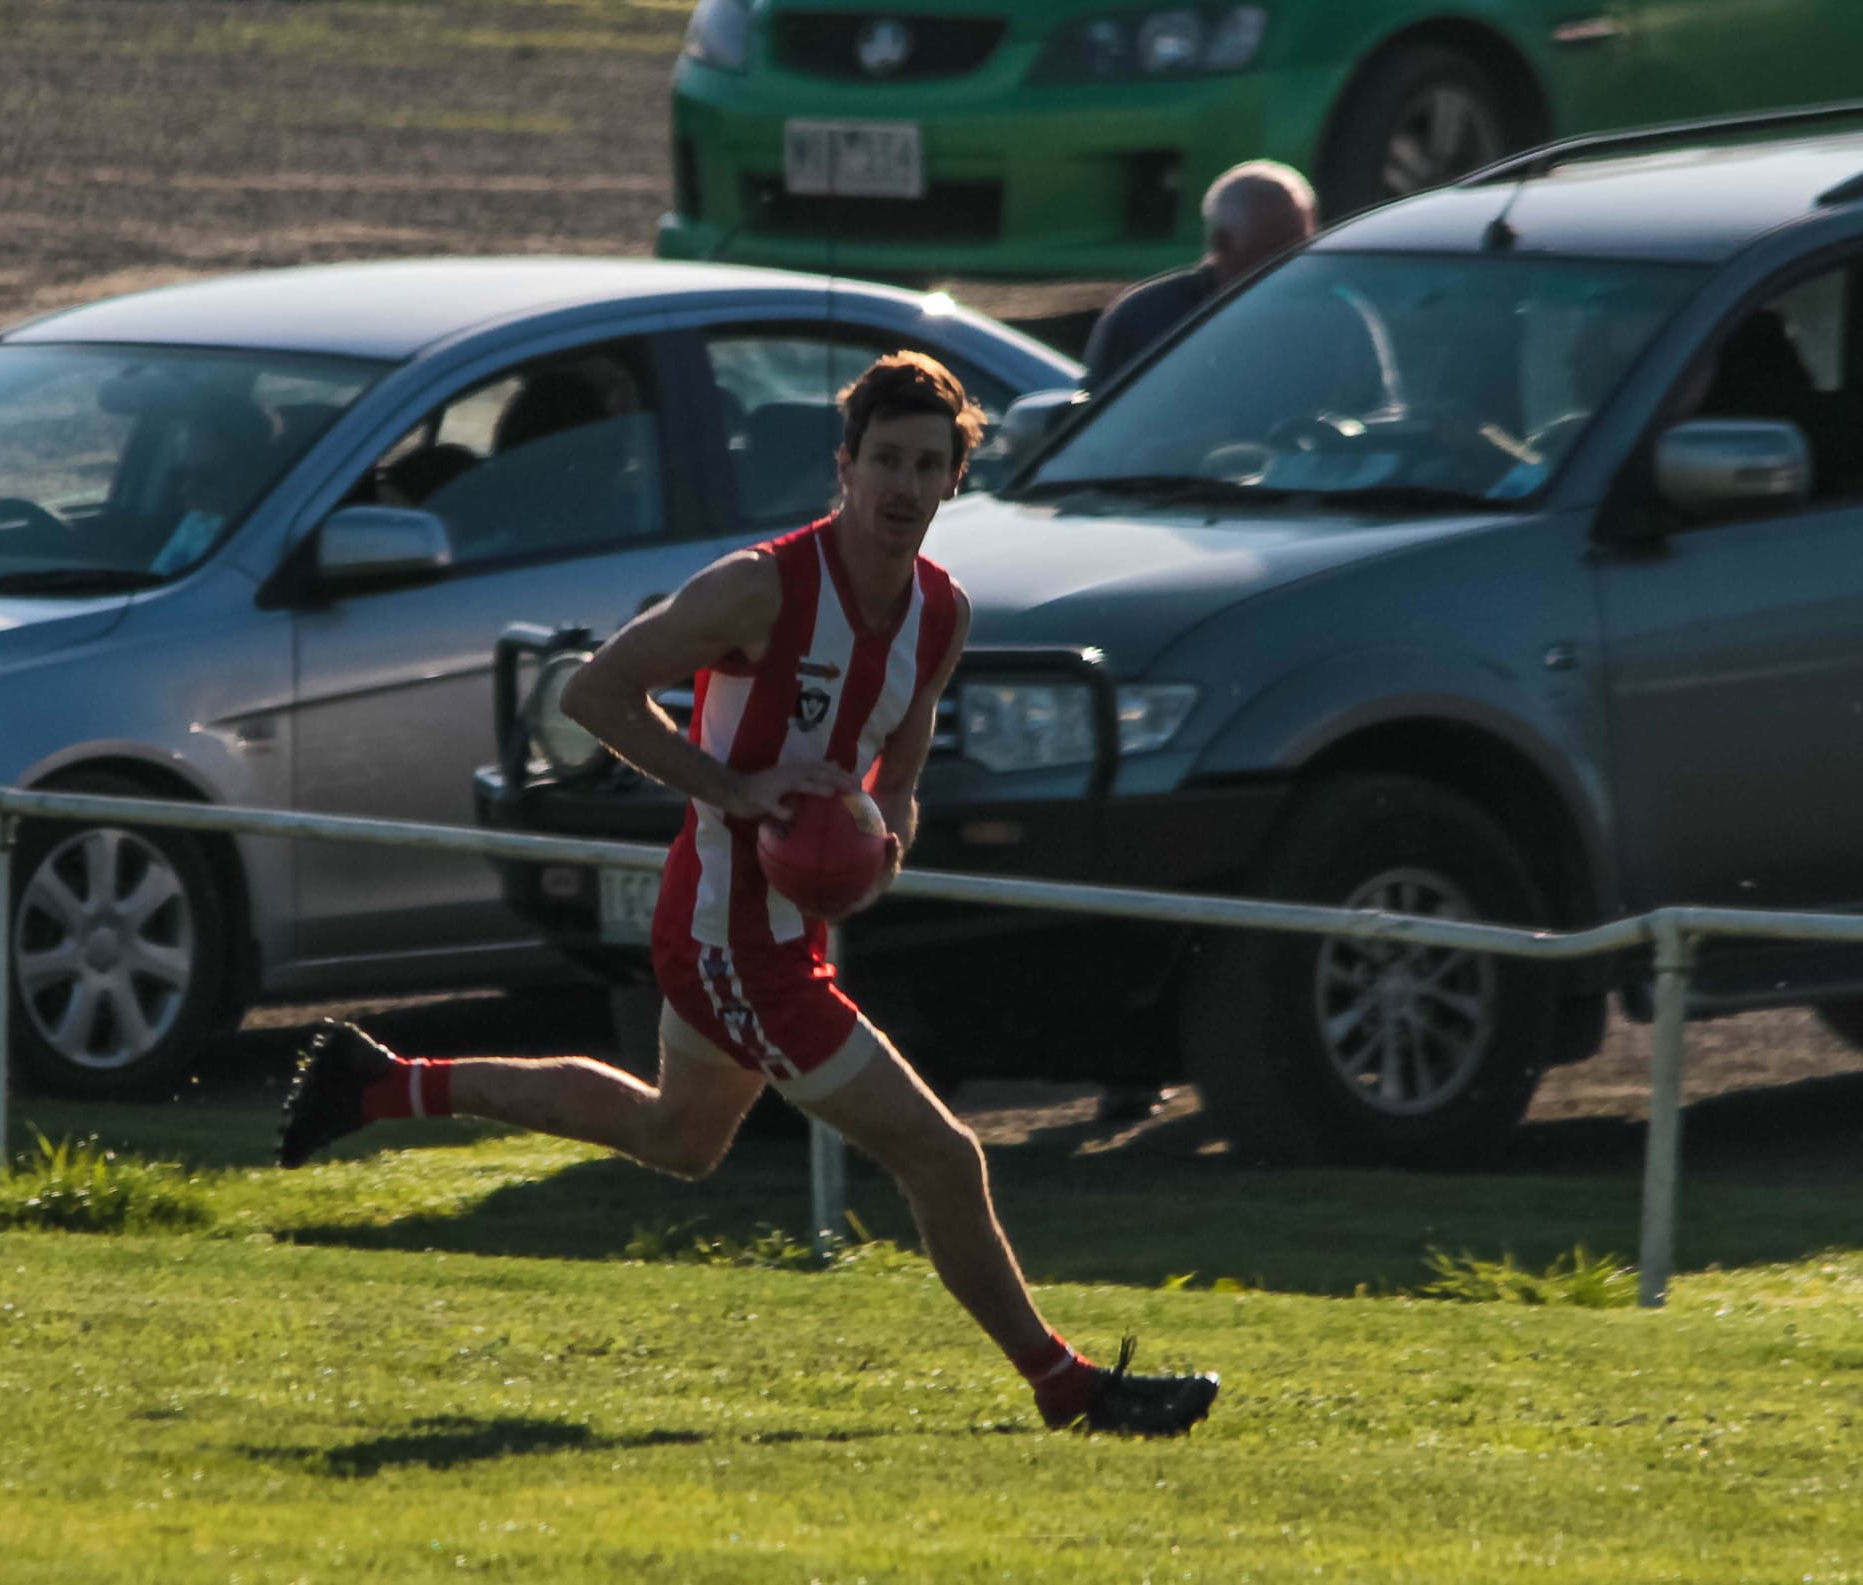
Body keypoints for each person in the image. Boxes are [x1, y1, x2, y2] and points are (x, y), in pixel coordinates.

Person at [277, 351, 1221, 1437]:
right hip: (729, 931)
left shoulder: (938, 613)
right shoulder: (760, 585)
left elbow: (901, 769)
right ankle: (1069, 1387)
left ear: (956, 479)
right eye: (882, 461)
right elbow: (593, 691)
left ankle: (378, 1084)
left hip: (789, 927)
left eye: (925, 464)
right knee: (942, 1154)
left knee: (680, 1136)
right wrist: (734, 788)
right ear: (844, 466)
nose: (901, 486)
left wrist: (881, 848)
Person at [1081, 159, 1318, 393]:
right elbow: (1095, 419)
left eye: (1302, 247)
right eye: (1276, 247)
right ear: (1222, 243)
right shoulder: (1145, 321)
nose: (1292, 261)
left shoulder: (1328, 319)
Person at [149, 396, 276, 575]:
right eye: (183, 476)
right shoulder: (193, 517)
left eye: (206, 479)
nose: (185, 489)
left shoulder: (263, 529)